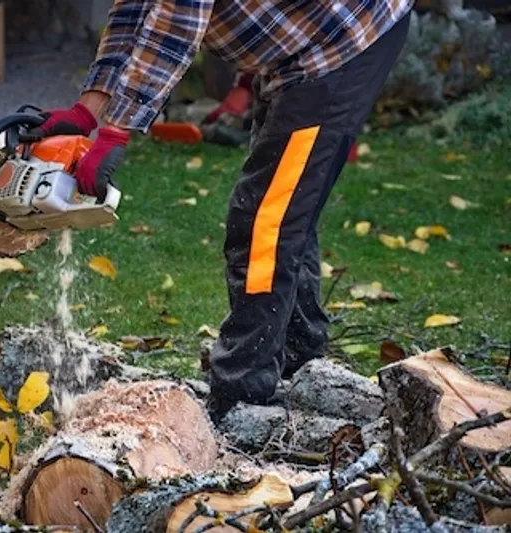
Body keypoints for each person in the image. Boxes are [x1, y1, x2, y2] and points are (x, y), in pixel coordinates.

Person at [28, 0, 412, 421]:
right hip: (298, 55)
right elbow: (134, 9)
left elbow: (175, 24)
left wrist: (117, 130)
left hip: (341, 44)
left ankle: (242, 396)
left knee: (266, 223)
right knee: (283, 207)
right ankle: (300, 363)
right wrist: (89, 109)